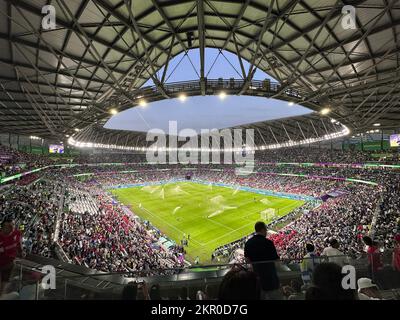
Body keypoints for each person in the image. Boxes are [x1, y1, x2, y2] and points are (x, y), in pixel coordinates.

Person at [244, 221, 281, 300]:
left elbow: (247, 261)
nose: (267, 232)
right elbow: (277, 261)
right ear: (263, 229)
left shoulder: (248, 243)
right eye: (266, 230)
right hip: (271, 279)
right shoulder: (269, 243)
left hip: (257, 279)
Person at [0, 218, 23, 294]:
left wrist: (21, 252)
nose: (12, 227)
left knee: (4, 283)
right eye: (9, 226)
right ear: (3, 227)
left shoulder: (17, 233)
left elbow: (19, 244)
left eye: (13, 225)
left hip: (9, 263)